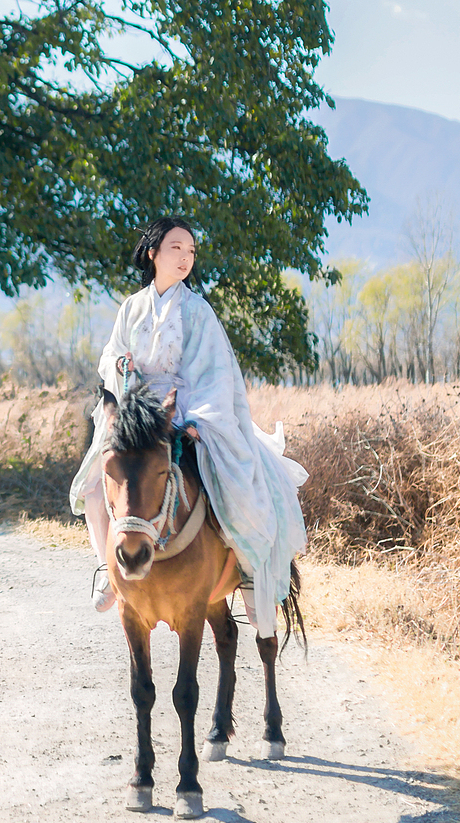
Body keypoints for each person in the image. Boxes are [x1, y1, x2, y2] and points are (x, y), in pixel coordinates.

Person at [69, 216, 308, 637]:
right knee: (94, 480)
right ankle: (112, 568)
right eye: (176, 248)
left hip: (191, 410)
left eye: (191, 251)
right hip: (139, 411)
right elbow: (110, 355)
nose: (185, 258)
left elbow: (214, 372)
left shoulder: (197, 311)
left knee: (237, 478)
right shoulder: (131, 307)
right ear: (153, 253)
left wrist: (196, 419)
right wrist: (119, 364)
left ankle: (250, 571)